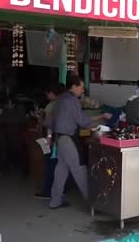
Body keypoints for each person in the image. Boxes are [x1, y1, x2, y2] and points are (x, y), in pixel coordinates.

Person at [49, 75, 105, 209]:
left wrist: (50, 136)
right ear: (73, 87)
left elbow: (52, 119)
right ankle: (93, 203)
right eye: (81, 87)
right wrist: (99, 120)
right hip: (68, 139)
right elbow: (81, 120)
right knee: (80, 169)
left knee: (61, 170)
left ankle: (55, 201)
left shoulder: (61, 98)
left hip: (60, 138)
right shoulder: (72, 100)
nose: (82, 90)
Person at [36, 83, 65, 199]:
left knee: (50, 165)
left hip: (53, 140)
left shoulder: (51, 106)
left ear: (52, 94)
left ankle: (48, 191)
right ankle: (60, 190)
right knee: (61, 166)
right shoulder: (67, 104)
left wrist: (48, 137)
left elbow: (49, 124)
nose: (47, 97)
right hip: (65, 139)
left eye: (47, 94)